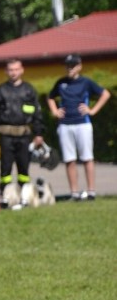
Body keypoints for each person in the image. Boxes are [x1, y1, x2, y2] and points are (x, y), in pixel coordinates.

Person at [47, 54, 111, 201]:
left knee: (87, 157)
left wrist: (92, 110)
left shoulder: (86, 82)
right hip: (65, 125)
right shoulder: (61, 83)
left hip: (82, 123)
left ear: (79, 66)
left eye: (73, 65)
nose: (70, 68)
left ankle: (91, 191)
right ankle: (74, 193)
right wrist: (55, 111)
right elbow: (50, 97)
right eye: (68, 65)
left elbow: (105, 94)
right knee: (70, 159)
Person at [0, 58, 44, 197]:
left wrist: (39, 133)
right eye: (11, 70)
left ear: (22, 70)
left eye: (16, 69)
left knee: (24, 166)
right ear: (6, 71)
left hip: (24, 136)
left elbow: (37, 114)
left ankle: (24, 194)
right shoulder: (1, 91)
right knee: (5, 167)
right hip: (6, 136)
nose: (13, 73)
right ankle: (5, 195)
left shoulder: (29, 90)